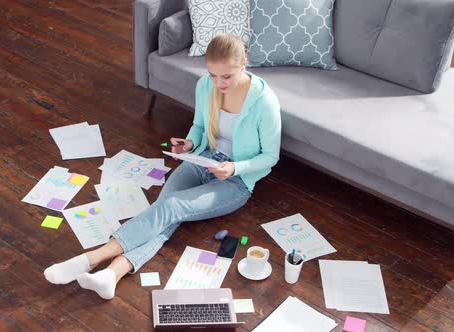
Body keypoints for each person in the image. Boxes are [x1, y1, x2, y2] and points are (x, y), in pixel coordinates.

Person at [43, 34, 281, 300]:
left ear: (244, 63)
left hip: (235, 181)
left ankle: (90, 258)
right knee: (164, 210)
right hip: (203, 160)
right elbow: (200, 126)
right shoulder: (206, 86)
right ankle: (111, 275)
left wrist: (234, 168)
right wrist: (190, 144)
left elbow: (270, 156)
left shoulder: (264, 101)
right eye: (213, 75)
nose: (219, 83)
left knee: (170, 207)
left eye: (226, 76)